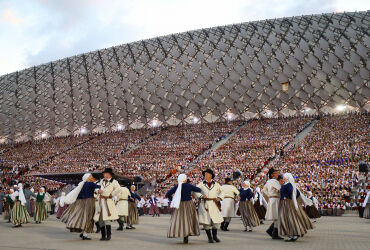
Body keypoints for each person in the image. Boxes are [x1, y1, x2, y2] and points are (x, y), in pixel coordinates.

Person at [61, 173, 100, 240]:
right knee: (88, 217)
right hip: (88, 201)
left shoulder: (82, 184)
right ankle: (84, 234)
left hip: (80, 202)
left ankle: (83, 233)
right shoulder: (90, 183)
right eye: (90, 176)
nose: (91, 177)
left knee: (82, 216)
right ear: (87, 178)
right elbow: (99, 187)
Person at [166, 174, 202, 244]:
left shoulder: (177, 186)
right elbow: (198, 190)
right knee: (189, 219)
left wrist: (173, 199)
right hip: (189, 204)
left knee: (180, 220)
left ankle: (180, 232)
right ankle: (187, 236)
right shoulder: (188, 185)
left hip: (179, 205)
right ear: (185, 179)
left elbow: (168, 194)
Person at [196, 169, 224, 243]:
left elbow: (222, 192)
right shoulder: (201, 184)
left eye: (207, 174)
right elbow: (195, 191)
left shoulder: (216, 184)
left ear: (211, 175)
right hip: (204, 204)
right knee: (206, 221)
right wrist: (201, 196)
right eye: (204, 174)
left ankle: (215, 236)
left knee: (216, 222)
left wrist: (219, 197)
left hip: (214, 203)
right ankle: (210, 238)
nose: (205, 175)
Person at [279, 173, 307, 241]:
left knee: (290, 218)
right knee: (286, 219)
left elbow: (292, 193)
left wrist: (286, 197)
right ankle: (290, 234)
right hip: (283, 203)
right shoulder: (284, 184)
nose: (283, 178)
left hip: (288, 202)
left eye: (284, 177)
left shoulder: (289, 184)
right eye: (283, 177)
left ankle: (294, 234)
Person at [94, 168, 120, 241]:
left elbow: (118, 189)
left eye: (105, 173)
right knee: (101, 219)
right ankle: (103, 235)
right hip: (100, 201)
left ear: (109, 174)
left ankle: (108, 235)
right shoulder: (101, 181)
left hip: (108, 201)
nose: (104, 174)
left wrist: (112, 194)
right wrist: (97, 190)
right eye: (104, 173)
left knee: (107, 219)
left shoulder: (114, 182)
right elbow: (95, 187)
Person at [262, 168, 282, 239]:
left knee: (276, 217)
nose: (277, 174)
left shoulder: (268, 181)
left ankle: (272, 231)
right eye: (276, 173)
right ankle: (274, 233)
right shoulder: (274, 181)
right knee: (277, 216)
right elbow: (280, 189)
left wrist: (269, 195)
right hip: (276, 199)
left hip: (272, 199)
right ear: (272, 174)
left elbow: (264, 190)